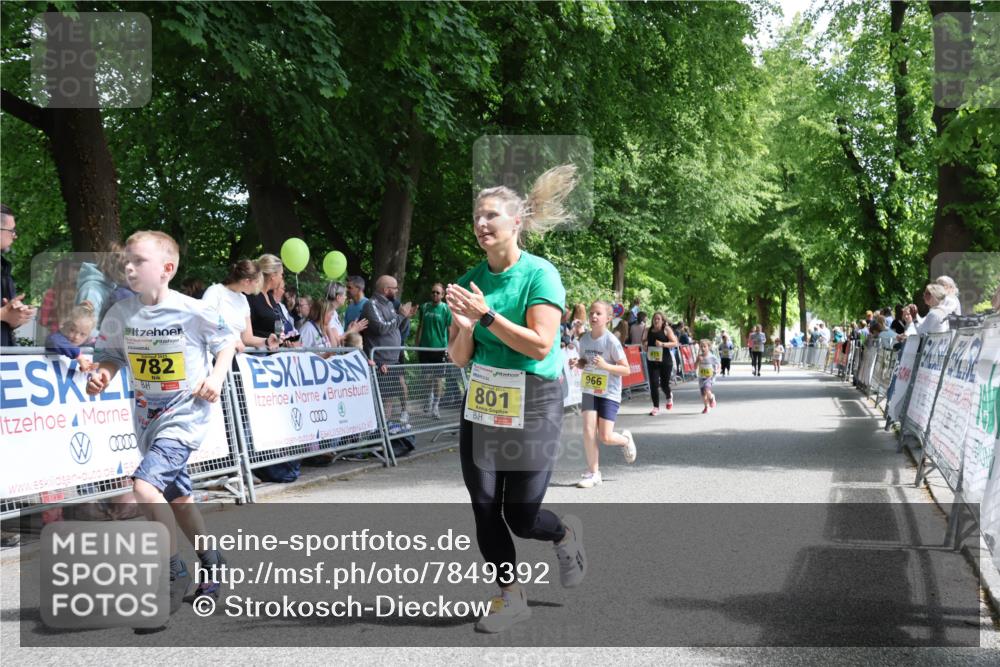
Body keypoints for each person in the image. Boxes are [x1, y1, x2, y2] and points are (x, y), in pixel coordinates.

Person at [444, 165, 585, 634]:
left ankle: (563, 533)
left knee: (521, 516)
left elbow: (541, 344)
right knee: (484, 505)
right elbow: (458, 357)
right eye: (476, 217)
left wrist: (484, 316)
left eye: (490, 216)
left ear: (515, 222)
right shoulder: (470, 278)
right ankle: (511, 595)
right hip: (484, 399)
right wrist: (464, 328)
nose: (481, 225)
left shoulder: (539, 274)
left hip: (535, 398)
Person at [86, 230, 233, 622]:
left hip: (184, 418)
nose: (129, 267)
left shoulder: (192, 309)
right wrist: (102, 375)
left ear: (167, 269)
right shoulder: (119, 314)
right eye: (126, 261)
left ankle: (172, 574)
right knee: (179, 500)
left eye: (139, 261)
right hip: (146, 422)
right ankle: (213, 561)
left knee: (144, 487)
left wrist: (216, 377)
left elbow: (227, 342)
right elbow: (111, 358)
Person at [575, 300, 636, 489]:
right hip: (590, 390)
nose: (593, 316)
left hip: (609, 392)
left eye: (598, 314)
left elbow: (626, 369)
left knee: (606, 437)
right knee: (587, 430)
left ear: (608, 319)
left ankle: (625, 440)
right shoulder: (584, 339)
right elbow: (586, 362)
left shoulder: (611, 341)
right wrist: (578, 364)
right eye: (592, 313)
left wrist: (605, 366)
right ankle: (594, 473)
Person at [362, 275, 415, 422]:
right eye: (395, 288)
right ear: (386, 289)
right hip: (380, 360)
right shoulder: (371, 304)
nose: (397, 291)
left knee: (389, 398)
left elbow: (397, 327)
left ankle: (385, 430)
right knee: (379, 399)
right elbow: (380, 328)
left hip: (393, 360)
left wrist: (405, 318)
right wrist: (400, 316)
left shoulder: (391, 305)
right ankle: (377, 431)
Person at [202, 259, 279, 353]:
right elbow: (206, 323)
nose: (258, 286)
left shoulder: (243, 300)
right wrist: (231, 341)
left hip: (236, 357)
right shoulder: (215, 292)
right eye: (257, 282)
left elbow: (247, 337)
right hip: (214, 354)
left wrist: (266, 341)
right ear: (247, 281)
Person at [1, 204, 36, 348]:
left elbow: (8, 317)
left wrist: (17, 317)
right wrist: (3, 315)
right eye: (12, 230)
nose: (15, 236)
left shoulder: (4, 267)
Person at [416, 282, 452, 419]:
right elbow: (420, 326)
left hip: (440, 349)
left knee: (438, 380)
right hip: (425, 348)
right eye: (433, 292)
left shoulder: (446, 309)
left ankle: (436, 406)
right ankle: (429, 399)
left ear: (443, 295)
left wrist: (450, 348)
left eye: (438, 293)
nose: (435, 295)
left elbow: (449, 330)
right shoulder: (424, 307)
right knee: (426, 378)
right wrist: (416, 344)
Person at [44, 301, 97, 371]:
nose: (76, 337)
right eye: (72, 330)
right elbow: (53, 341)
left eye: (83, 334)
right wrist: (79, 356)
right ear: (65, 325)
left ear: (88, 335)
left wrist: (91, 365)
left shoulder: (91, 344)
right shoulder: (56, 337)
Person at [644, 311, 678, 415]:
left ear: (662, 320)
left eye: (658, 319)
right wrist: (645, 344)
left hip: (665, 361)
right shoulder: (647, 330)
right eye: (654, 318)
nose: (656, 320)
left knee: (664, 384)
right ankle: (656, 407)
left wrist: (662, 344)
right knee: (654, 384)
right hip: (652, 360)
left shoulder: (666, 329)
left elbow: (675, 343)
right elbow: (644, 341)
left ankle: (669, 396)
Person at [247, 254, 285, 339]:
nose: (281, 278)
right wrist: (268, 339)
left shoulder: (269, 296)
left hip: (275, 348)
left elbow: (277, 323)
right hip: (258, 350)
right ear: (273, 276)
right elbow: (247, 332)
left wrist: (284, 339)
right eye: (281, 274)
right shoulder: (251, 297)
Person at [323, 281, 367, 347]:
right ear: (338, 297)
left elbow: (339, 335)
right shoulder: (329, 315)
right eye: (344, 295)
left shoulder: (334, 313)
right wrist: (353, 330)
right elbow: (336, 340)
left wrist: (349, 330)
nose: (346, 297)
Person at [697, 339, 721, 414]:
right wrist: (698, 360)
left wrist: (717, 370)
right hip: (701, 377)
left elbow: (719, 364)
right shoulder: (699, 357)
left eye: (705, 346)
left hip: (709, 377)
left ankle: (711, 398)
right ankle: (706, 407)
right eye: (701, 347)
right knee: (703, 394)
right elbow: (695, 366)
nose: (703, 348)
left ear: (709, 347)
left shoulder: (712, 357)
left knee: (707, 389)